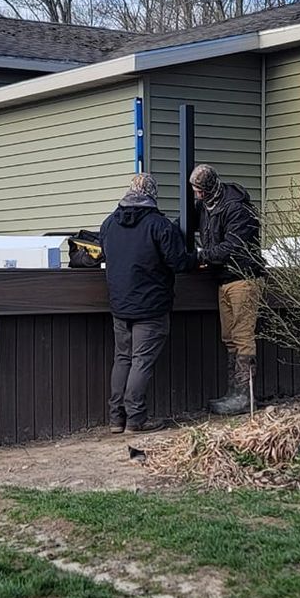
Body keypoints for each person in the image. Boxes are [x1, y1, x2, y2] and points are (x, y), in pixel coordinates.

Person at [100, 173, 191, 433]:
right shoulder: (159, 225)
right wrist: (197, 258)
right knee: (141, 361)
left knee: (122, 359)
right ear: (153, 194)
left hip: (119, 304)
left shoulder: (109, 224)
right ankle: (136, 419)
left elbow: (104, 255)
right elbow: (179, 262)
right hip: (151, 307)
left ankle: (116, 419)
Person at [190, 164, 265, 415]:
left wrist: (201, 256)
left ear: (209, 187)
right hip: (223, 278)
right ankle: (235, 394)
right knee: (230, 337)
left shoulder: (237, 208)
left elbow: (234, 247)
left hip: (243, 277)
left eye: (200, 190)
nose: (197, 195)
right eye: (195, 190)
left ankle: (245, 397)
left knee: (242, 336)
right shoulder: (205, 206)